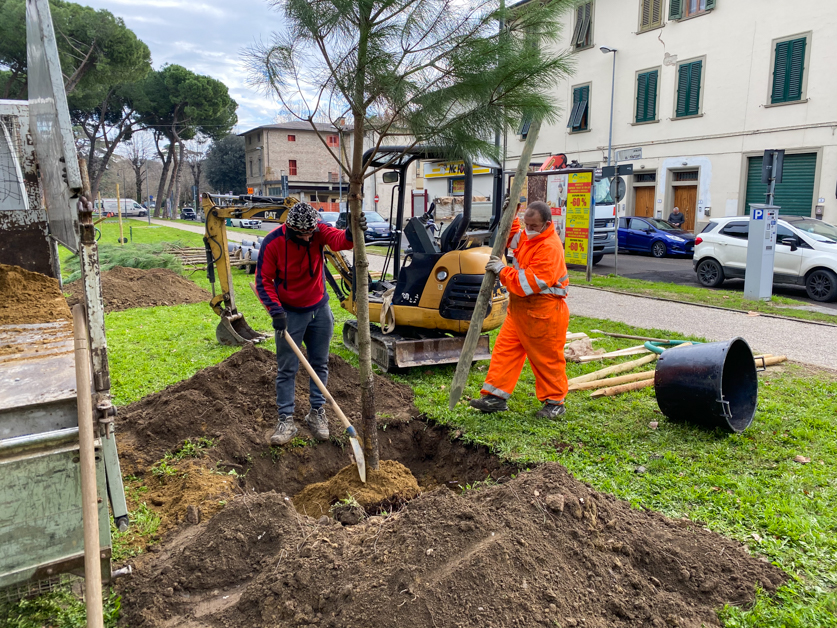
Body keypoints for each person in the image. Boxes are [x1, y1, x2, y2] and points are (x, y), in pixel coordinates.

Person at [255, 202, 366, 445]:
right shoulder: (273, 242)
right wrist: (276, 312)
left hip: (319, 308)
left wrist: (351, 233)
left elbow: (339, 241)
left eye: (310, 233)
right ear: (290, 228)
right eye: (301, 234)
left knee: (320, 363)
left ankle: (317, 413)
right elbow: (263, 280)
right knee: (287, 368)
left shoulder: (318, 231)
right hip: (290, 313)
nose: (307, 237)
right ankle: (286, 419)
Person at [470, 201, 570, 419]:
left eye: (534, 226)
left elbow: (528, 284)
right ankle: (495, 397)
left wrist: (502, 271)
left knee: (546, 359)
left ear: (547, 224)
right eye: (527, 224)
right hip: (520, 311)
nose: (529, 229)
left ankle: (555, 402)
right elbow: (514, 236)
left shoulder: (550, 248)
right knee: (504, 352)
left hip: (544, 312)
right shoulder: (530, 235)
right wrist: (511, 215)